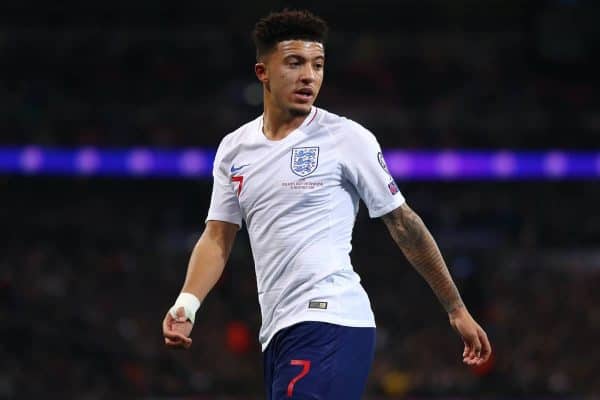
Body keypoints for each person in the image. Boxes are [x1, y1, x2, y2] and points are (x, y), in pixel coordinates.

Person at [162, 9, 492, 399]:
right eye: (294, 63)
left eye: (318, 65)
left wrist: (455, 308)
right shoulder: (234, 149)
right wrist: (188, 303)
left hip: (331, 319)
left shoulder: (346, 138)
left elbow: (404, 223)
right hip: (278, 333)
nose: (309, 76)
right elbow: (218, 236)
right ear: (262, 72)